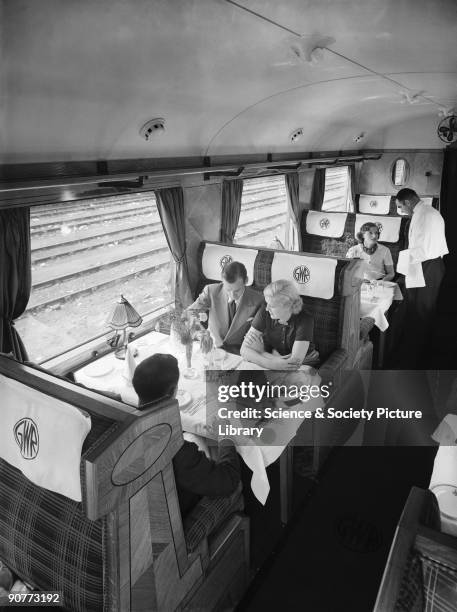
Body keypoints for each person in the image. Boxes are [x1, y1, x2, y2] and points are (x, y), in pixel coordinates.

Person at [132, 354, 240, 516]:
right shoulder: (179, 450)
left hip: (138, 506)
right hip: (176, 513)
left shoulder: (128, 425)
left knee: (196, 437)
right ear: (173, 392)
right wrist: (226, 435)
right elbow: (229, 480)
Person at [394, 188, 448, 368]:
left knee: (421, 309)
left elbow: (423, 250)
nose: (402, 211)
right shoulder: (426, 212)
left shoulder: (424, 216)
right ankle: (416, 350)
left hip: (428, 266)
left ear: (408, 202)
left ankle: (414, 358)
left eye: (401, 207)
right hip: (426, 264)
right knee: (419, 308)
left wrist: (401, 261)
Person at [240, 279, 319, 370]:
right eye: (267, 303)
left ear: (288, 306)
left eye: (272, 306)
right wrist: (272, 361)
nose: (267, 308)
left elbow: (294, 364)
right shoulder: (265, 311)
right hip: (273, 358)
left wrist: (260, 352)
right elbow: (244, 350)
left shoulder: (305, 320)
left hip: (305, 364)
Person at [187, 260, 263, 354]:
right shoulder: (211, 291)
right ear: (222, 281)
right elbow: (189, 313)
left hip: (239, 353)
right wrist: (200, 333)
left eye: (237, 290)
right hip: (212, 347)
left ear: (246, 280)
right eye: (228, 289)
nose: (232, 295)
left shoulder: (259, 300)